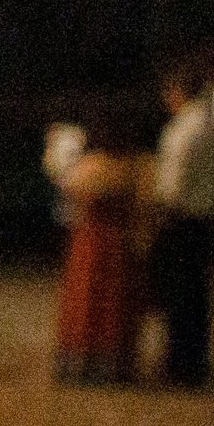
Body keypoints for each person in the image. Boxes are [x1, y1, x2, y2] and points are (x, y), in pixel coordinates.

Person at [149, 73, 214, 387]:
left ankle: (180, 363)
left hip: (182, 219)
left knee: (180, 294)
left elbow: (174, 180)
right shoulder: (211, 125)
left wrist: (160, 214)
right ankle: (194, 360)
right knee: (196, 293)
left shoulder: (186, 128)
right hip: (205, 218)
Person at [53, 112, 150, 385]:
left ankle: (81, 361)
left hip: (91, 242)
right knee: (115, 301)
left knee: (87, 300)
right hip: (120, 243)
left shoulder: (90, 167)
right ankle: (116, 363)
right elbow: (144, 205)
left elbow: (68, 191)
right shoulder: (136, 168)